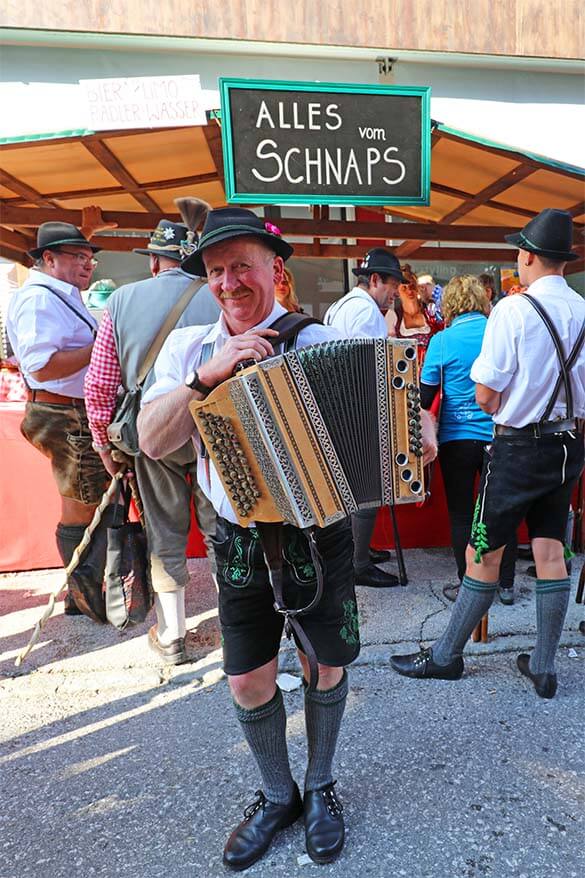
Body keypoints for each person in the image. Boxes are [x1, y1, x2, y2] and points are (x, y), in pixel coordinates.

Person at [138, 209, 435, 868]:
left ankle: (321, 784)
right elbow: (150, 441)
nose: (227, 282)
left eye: (240, 265)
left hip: (318, 533)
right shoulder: (189, 349)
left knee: (326, 665)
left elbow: (399, 426)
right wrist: (205, 378)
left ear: (275, 269)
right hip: (238, 539)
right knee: (247, 680)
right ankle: (279, 795)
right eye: (215, 271)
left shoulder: (322, 341)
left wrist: (413, 433)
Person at [391, 208, 585, 699]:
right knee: (549, 549)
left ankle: (446, 656)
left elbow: (484, 394)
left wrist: (506, 403)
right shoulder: (583, 310)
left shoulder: (514, 310)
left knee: (483, 550)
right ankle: (543, 667)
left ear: (528, 256)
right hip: (567, 444)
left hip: (517, 445)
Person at [84, 200, 220, 665]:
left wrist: (105, 445)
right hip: (213, 428)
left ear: (158, 260)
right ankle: (236, 620)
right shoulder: (219, 293)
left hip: (153, 429)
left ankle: (174, 634)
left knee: (165, 530)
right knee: (220, 522)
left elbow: (99, 384)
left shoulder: (122, 300)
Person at [6, 221, 111, 622]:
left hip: (69, 408)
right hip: (64, 410)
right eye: (78, 257)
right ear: (48, 259)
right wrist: (100, 346)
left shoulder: (57, 294)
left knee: (88, 498)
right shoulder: (39, 299)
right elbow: (43, 366)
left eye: (90, 258)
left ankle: (85, 590)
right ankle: (83, 599)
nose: (89, 265)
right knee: (81, 505)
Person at [420, 275, 517, 605]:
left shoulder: (442, 340)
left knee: (462, 514)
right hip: (499, 435)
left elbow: (425, 394)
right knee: (501, 509)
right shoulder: (497, 334)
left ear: (450, 305)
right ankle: (505, 584)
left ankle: (468, 586)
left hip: (456, 438)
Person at [324, 247, 405, 588]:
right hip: (356, 411)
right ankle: (357, 563)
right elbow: (367, 369)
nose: (395, 293)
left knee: (351, 490)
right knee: (369, 486)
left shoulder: (341, 306)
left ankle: (357, 550)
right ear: (374, 280)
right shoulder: (368, 312)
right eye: (392, 286)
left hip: (336, 409)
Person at [386, 264, 442, 358]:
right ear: (398, 292)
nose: (409, 291)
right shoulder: (393, 317)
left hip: (431, 369)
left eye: (412, 287)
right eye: (404, 288)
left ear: (417, 288)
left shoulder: (430, 313)